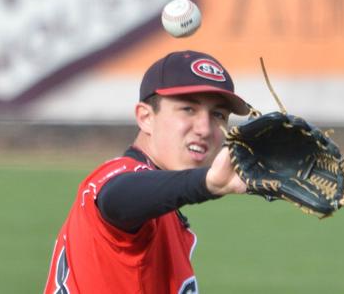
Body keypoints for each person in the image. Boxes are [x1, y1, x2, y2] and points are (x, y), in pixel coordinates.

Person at [44, 50, 250, 294]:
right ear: (145, 117)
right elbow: (117, 198)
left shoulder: (164, 210)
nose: (204, 128)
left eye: (218, 115)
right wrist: (205, 183)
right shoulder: (119, 178)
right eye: (188, 109)